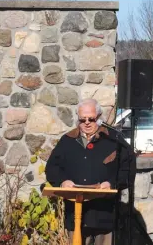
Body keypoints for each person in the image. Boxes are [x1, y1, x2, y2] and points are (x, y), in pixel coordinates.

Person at [45, 98, 136, 245]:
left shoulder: (114, 140)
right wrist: (63, 181)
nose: (87, 123)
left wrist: (112, 183)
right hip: (76, 214)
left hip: (104, 213)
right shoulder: (67, 141)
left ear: (99, 118)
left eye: (91, 119)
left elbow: (127, 167)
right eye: (82, 119)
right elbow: (52, 168)